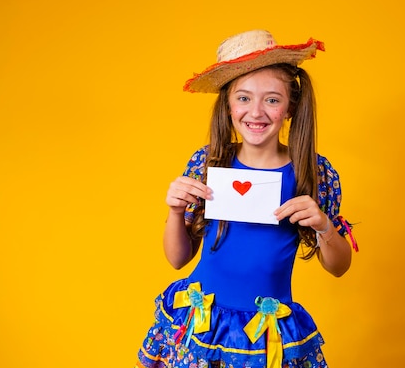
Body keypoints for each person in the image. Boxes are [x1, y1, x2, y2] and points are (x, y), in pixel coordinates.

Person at [135, 30, 357, 368]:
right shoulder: (207, 163)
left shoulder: (313, 172)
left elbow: (339, 267)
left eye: (271, 99)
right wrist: (175, 211)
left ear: (290, 107)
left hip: (265, 332)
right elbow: (177, 259)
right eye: (243, 98)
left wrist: (324, 225)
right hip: (201, 321)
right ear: (227, 105)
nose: (256, 112)